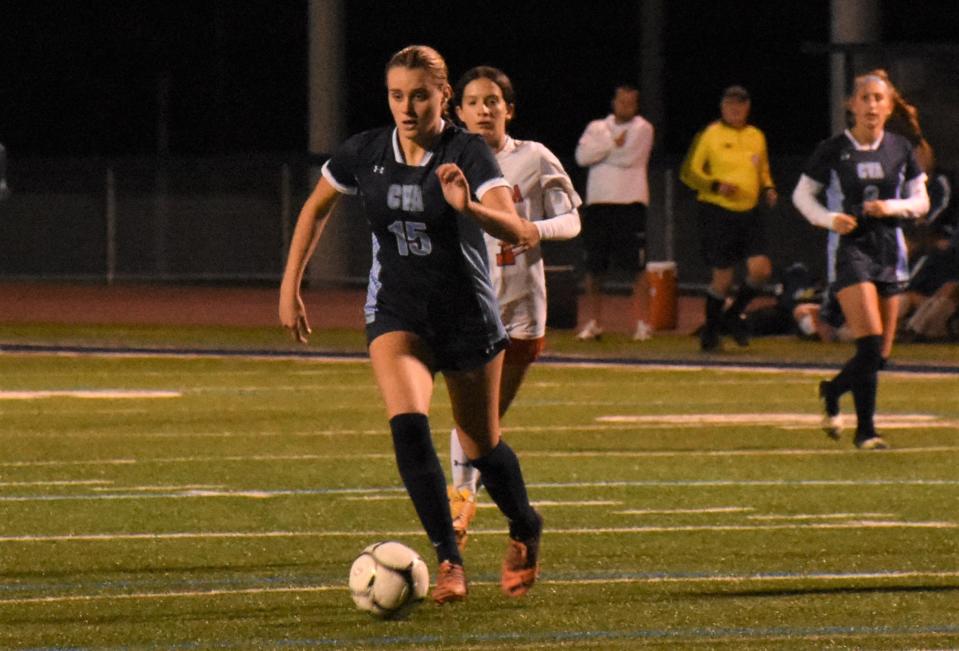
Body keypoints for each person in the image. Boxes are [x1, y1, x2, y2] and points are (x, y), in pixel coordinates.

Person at [278, 45, 544, 603]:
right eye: (397, 94)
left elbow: (518, 230)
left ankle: (525, 525)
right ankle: (449, 558)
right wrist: (290, 284)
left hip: (467, 318)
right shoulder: (367, 151)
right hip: (397, 313)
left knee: (482, 446)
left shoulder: (466, 152)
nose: (407, 106)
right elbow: (316, 206)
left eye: (419, 95)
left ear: (443, 97)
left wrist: (469, 208)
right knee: (408, 424)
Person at [446, 65, 582, 550]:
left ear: (509, 109)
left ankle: (509, 518)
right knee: (471, 424)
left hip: (521, 310)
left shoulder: (534, 158)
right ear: (457, 112)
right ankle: (459, 506)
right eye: (474, 102)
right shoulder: (445, 160)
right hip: (465, 307)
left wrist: (535, 230)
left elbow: (572, 220)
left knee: (485, 426)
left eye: (493, 101)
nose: (484, 109)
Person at [792, 72, 929, 450]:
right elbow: (802, 196)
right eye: (864, 98)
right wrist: (828, 219)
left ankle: (833, 392)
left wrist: (891, 206)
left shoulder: (900, 148)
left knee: (879, 357)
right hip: (851, 251)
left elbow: (921, 201)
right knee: (868, 347)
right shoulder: (834, 149)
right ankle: (866, 430)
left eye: (878, 99)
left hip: (889, 251)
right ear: (851, 104)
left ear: (888, 107)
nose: (871, 105)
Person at [680, 85, 778, 351]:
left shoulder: (756, 135)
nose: (735, 109)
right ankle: (711, 333)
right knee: (723, 280)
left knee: (761, 270)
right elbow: (689, 172)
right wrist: (715, 185)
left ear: (747, 107)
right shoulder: (710, 134)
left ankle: (734, 314)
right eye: (730, 104)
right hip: (718, 213)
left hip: (750, 212)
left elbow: (763, 170)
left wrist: (768, 188)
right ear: (722, 107)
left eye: (741, 104)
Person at [573, 84, 655, 341]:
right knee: (595, 268)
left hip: (630, 204)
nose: (626, 106)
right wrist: (610, 145)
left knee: (637, 268)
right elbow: (582, 156)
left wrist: (604, 153)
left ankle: (642, 323)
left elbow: (628, 157)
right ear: (614, 102)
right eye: (622, 101)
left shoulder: (643, 128)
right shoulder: (597, 128)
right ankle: (594, 322)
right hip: (598, 205)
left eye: (631, 102)